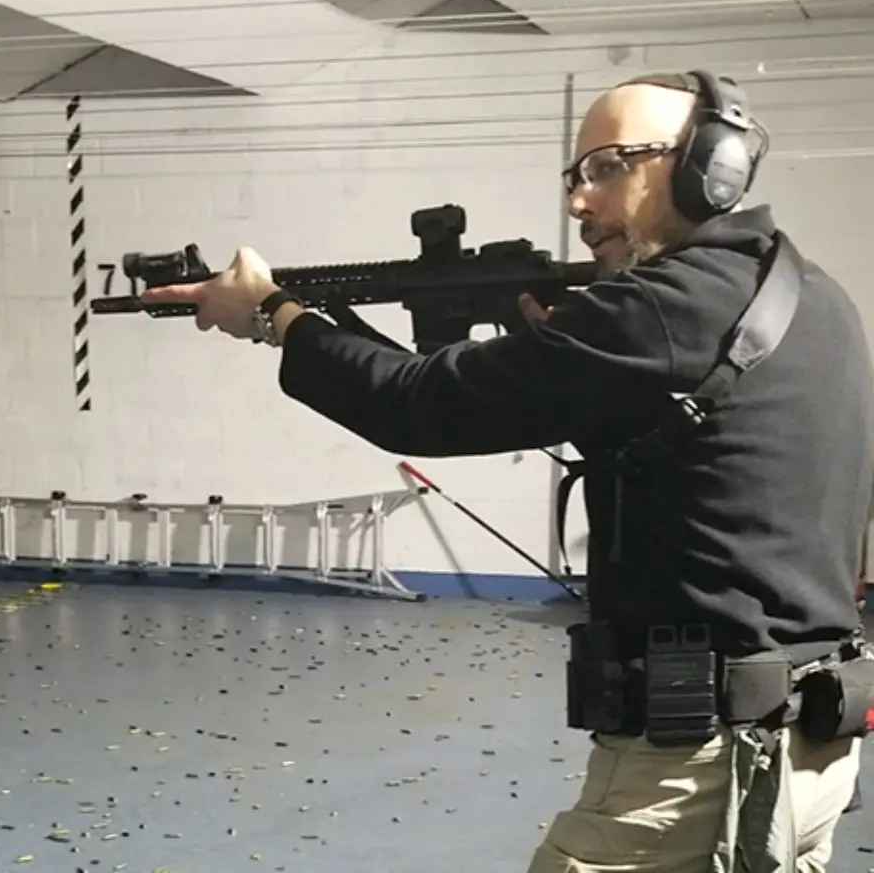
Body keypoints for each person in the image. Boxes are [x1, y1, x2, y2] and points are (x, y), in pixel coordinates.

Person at [144, 71, 874, 871]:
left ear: (707, 166)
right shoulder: (813, 295)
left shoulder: (659, 309)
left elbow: (416, 407)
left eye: (607, 167)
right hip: (809, 745)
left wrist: (271, 314)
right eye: (575, 175)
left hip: (696, 771)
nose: (578, 202)